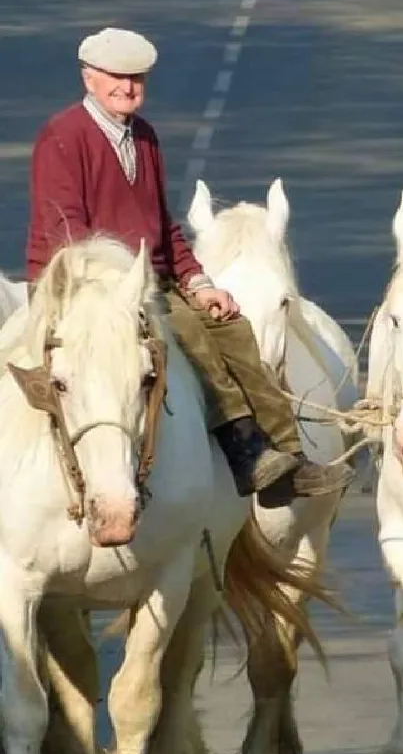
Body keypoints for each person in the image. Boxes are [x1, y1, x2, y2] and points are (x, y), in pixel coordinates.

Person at [25, 26, 353, 505]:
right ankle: (243, 450)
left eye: (136, 77)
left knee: (232, 326)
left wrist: (200, 283)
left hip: (144, 278)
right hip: (84, 285)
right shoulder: (64, 135)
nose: (127, 87)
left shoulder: (144, 137)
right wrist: (122, 285)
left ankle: (285, 457)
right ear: (88, 77)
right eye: (115, 76)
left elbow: (163, 225)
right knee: (191, 334)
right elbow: (65, 233)